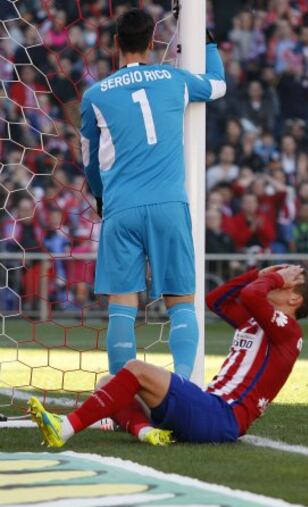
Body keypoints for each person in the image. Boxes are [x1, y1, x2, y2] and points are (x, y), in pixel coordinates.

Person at [80, 9, 226, 386]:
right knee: (181, 302)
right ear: (152, 43)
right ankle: (181, 390)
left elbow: (90, 161)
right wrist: (205, 40)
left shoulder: (95, 95)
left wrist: (100, 197)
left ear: (115, 44)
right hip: (168, 206)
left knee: (122, 307)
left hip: (121, 208)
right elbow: (218, 84)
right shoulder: (173, 79)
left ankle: (120, 401)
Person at [28, 265, 308, 447]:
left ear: (294, 299)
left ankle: (64, 428)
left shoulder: (289, 331)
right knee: (109, 381)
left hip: (222, 415)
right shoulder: (257, 321)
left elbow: (249, 296)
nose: (278, 278)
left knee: (136, 369)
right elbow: (216, 299)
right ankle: (148, 433)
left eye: (286, 281)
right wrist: (259, 275)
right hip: (210, 408)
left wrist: (268, 278)